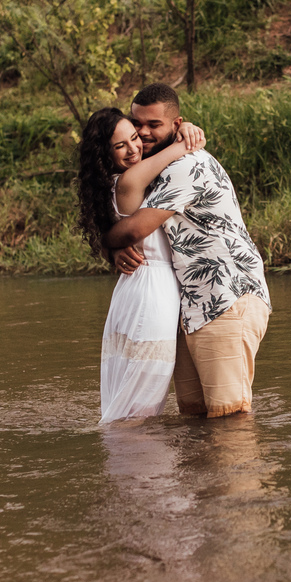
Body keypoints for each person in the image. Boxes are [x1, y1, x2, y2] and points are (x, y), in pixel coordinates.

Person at [106, 84, 271, 419]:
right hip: (191, 308)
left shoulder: (187, 165)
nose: (143, 132)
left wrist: (108, 241)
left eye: (154, 125)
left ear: (176, 124)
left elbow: (137, 229)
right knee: (194, 419)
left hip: (226, 300)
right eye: (137, 123)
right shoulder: (159, 164)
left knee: (230, 418)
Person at [77, 106, 205, 423]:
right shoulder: (129, 181)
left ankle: (127, 469)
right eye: (120, 146)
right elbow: (171, 152)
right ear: (104, 154)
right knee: (141, 404)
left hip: (136, 291)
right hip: (150, 293)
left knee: (131, 396)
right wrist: (183, 136)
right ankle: (145, 469)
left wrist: (182, 125)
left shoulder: (112, 183)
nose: (134, 148)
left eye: (135, 138)